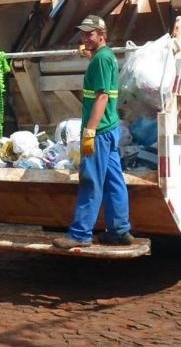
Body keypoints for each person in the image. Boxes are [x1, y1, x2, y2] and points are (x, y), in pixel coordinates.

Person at [53, 15, 134, 249]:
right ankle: (120, 230)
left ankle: (79, 234)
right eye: (83, 33)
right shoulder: (105, 58)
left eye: (90, 34)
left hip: (98, 131)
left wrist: (89, 130)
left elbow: (101, 96)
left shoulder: (101, 61)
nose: (85, 37)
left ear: (102, 35)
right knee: (114, 180)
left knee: (91, 180)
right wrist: (91, 55)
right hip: (110, 129)